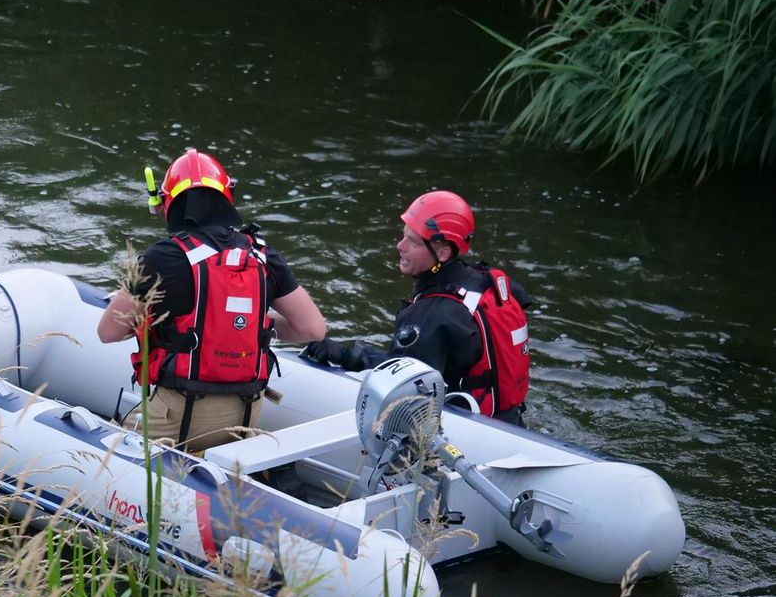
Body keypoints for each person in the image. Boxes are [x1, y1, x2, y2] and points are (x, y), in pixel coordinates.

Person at [97, 148, 327, 452]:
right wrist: (247, 327)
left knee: (102, 453)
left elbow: (107, 332)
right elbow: (312, 329)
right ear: (225, 197)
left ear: (169, 204)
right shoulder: (262, 254)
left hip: (178, 417)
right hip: (245, 415)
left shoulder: (162, 258)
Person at [301, 190, 532, 425]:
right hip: (510, 420)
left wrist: (346, 355)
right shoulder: (486, 282)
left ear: (442, 253)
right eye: (403, 236)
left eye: (412, 241)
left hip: (471, 429)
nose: (399, 246)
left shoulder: (434, 314)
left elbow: (400, 380)